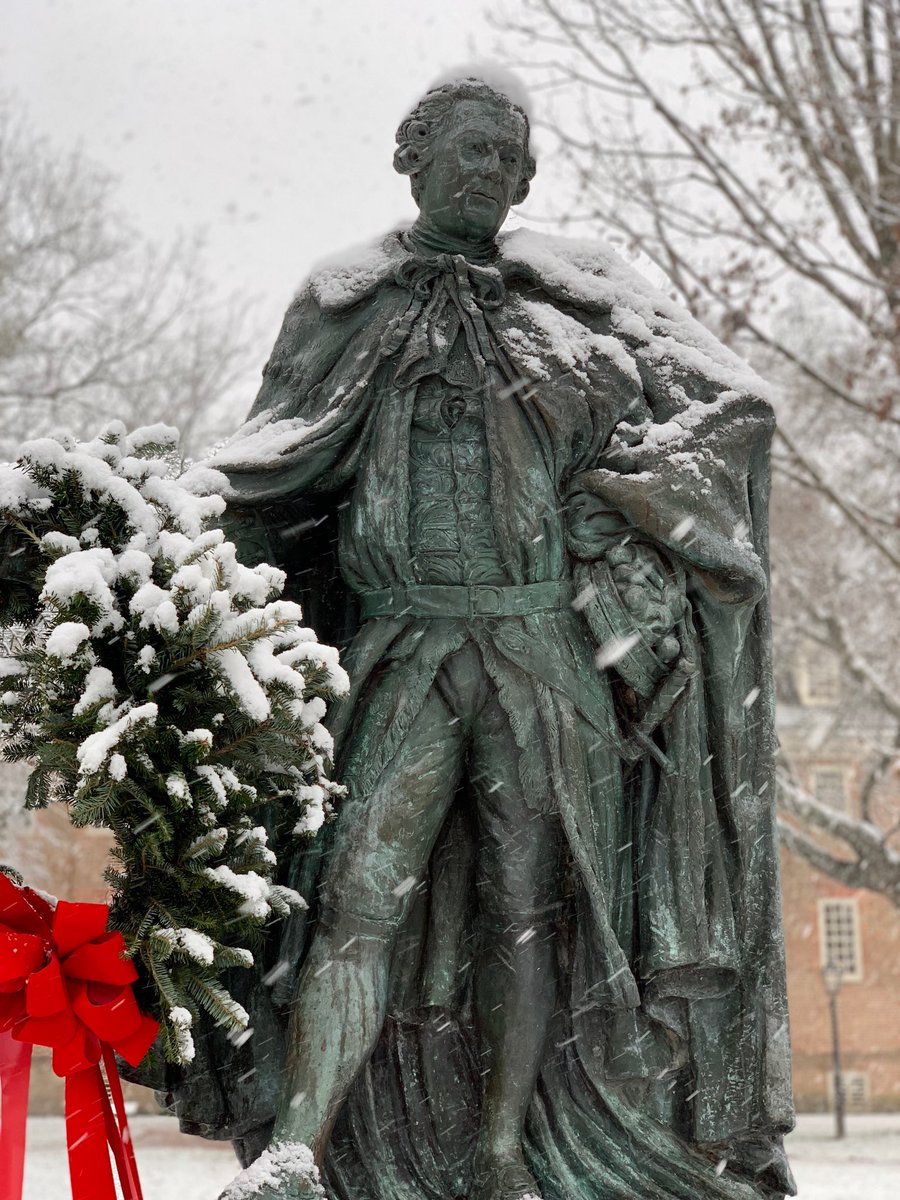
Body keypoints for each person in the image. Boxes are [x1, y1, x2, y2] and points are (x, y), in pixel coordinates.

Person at [201, 75, 795, 1200]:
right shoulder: (347, 306)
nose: (487, 171)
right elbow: (273, 460)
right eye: (467, 149)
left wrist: (620, 501)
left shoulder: (577, 313)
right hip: (404, 650)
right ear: (410, 157)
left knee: (528, 912)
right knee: (360, 900)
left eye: (505, 157)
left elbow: (732, 412)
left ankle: (502, 1151)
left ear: (525, 181)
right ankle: (295, 1151)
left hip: (544, 655)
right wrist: (172, 530)